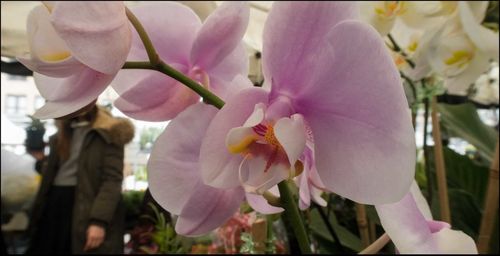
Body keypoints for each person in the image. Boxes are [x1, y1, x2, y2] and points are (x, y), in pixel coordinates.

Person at [26, 103, 135, 254]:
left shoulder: (109, 131)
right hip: (55, 203)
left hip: (85, 205)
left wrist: (98, 221)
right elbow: (60, 170)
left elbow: (112, 180)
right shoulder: (65, 130)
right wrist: (42, 161)